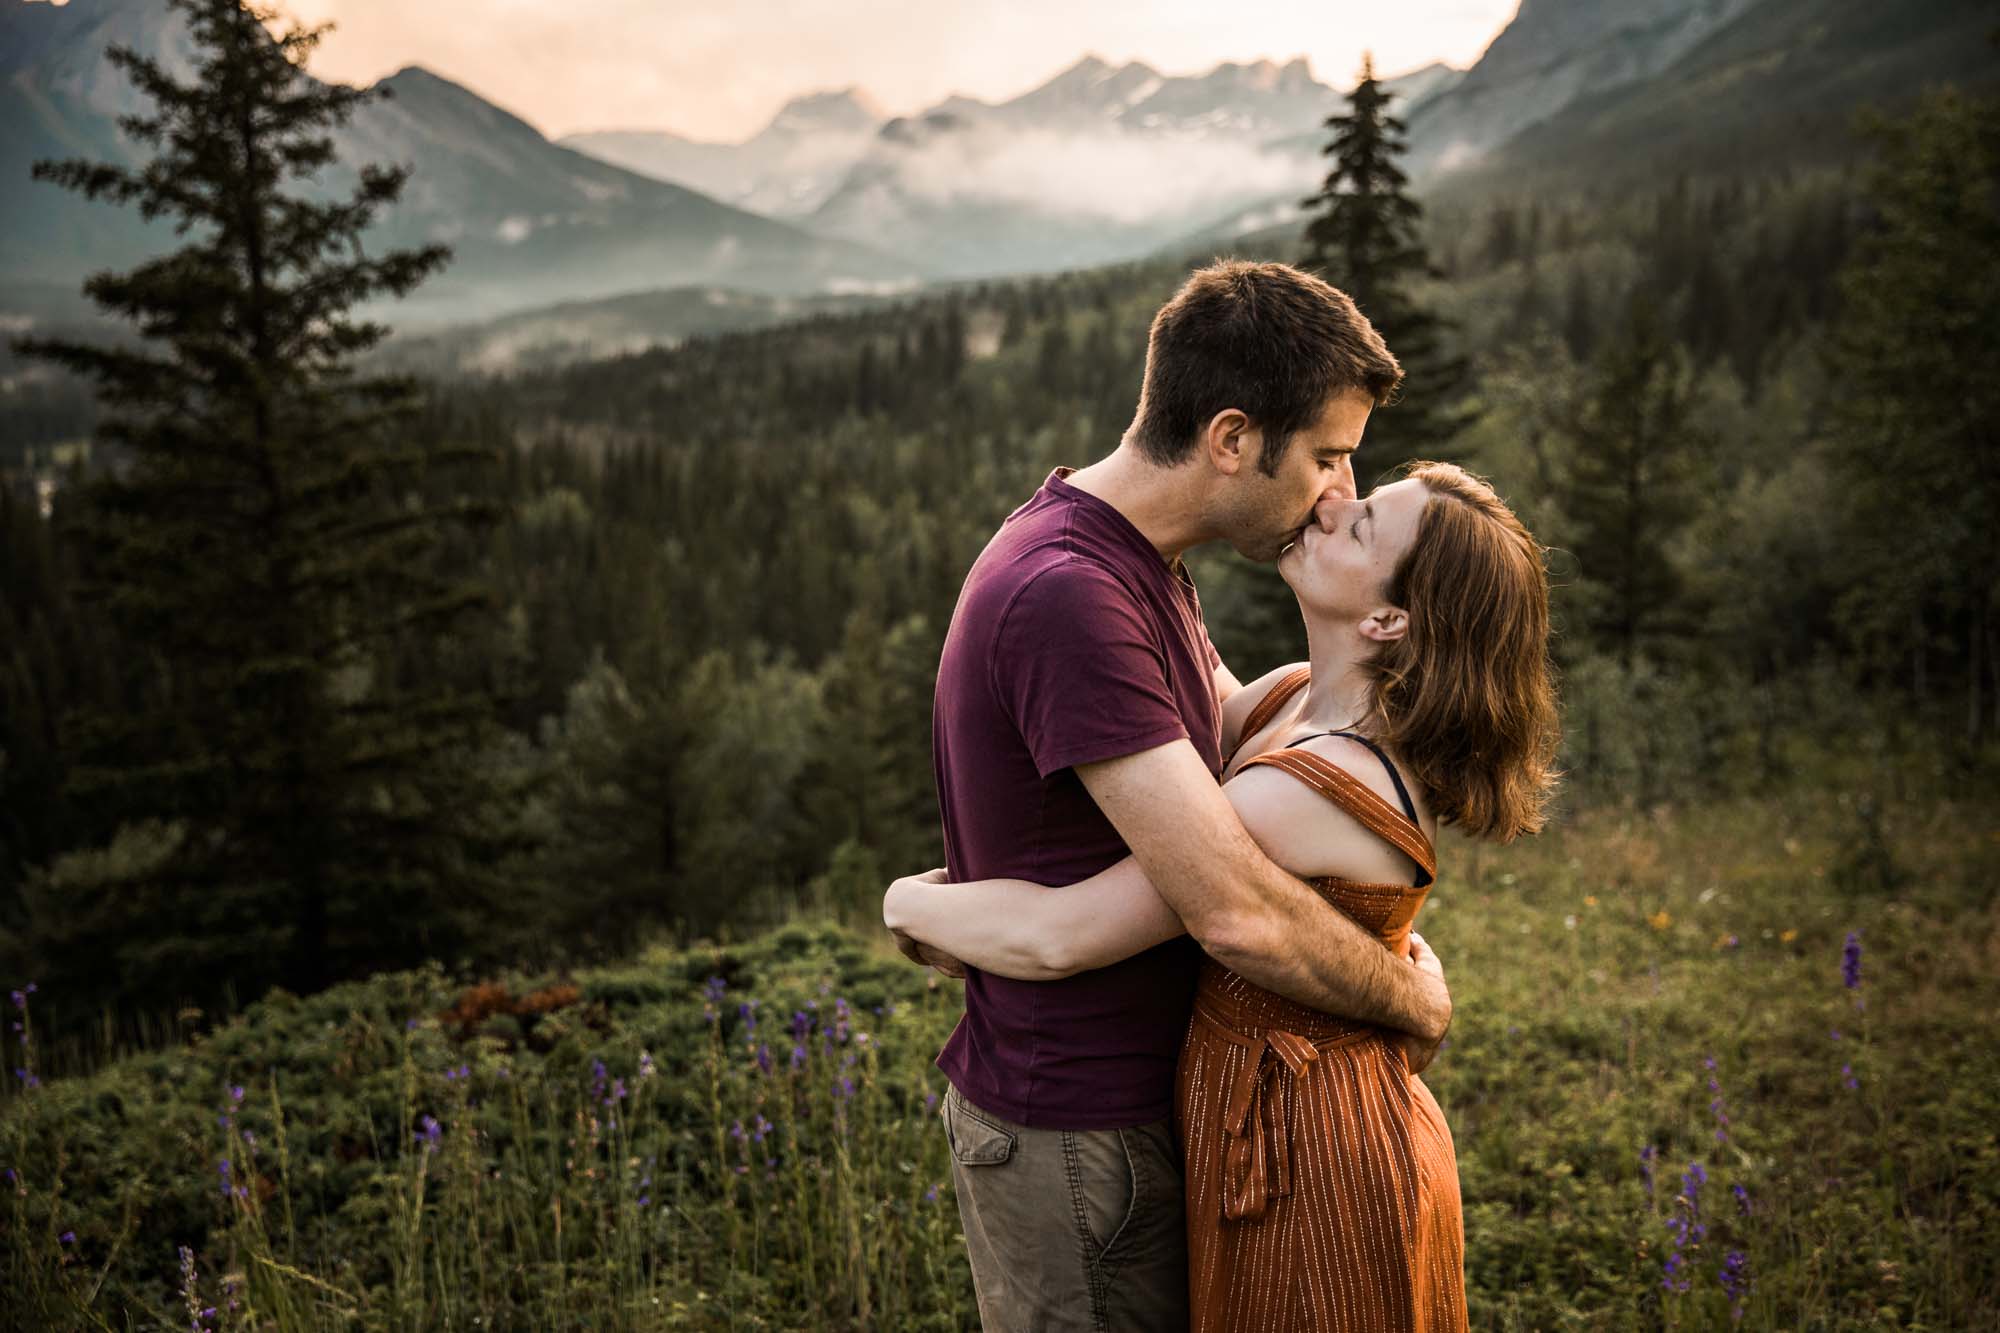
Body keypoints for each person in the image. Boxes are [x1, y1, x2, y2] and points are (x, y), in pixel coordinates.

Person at [888, 259, 1458, 1332]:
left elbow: (1232, 733)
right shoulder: (1071, 592)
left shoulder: (1135, 557)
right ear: (1232, 438)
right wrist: (1409, 998)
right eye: (1328, 457)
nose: (1338, 490)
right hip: (1077, 1134)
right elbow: (1231, 905)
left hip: (1141, 1116)